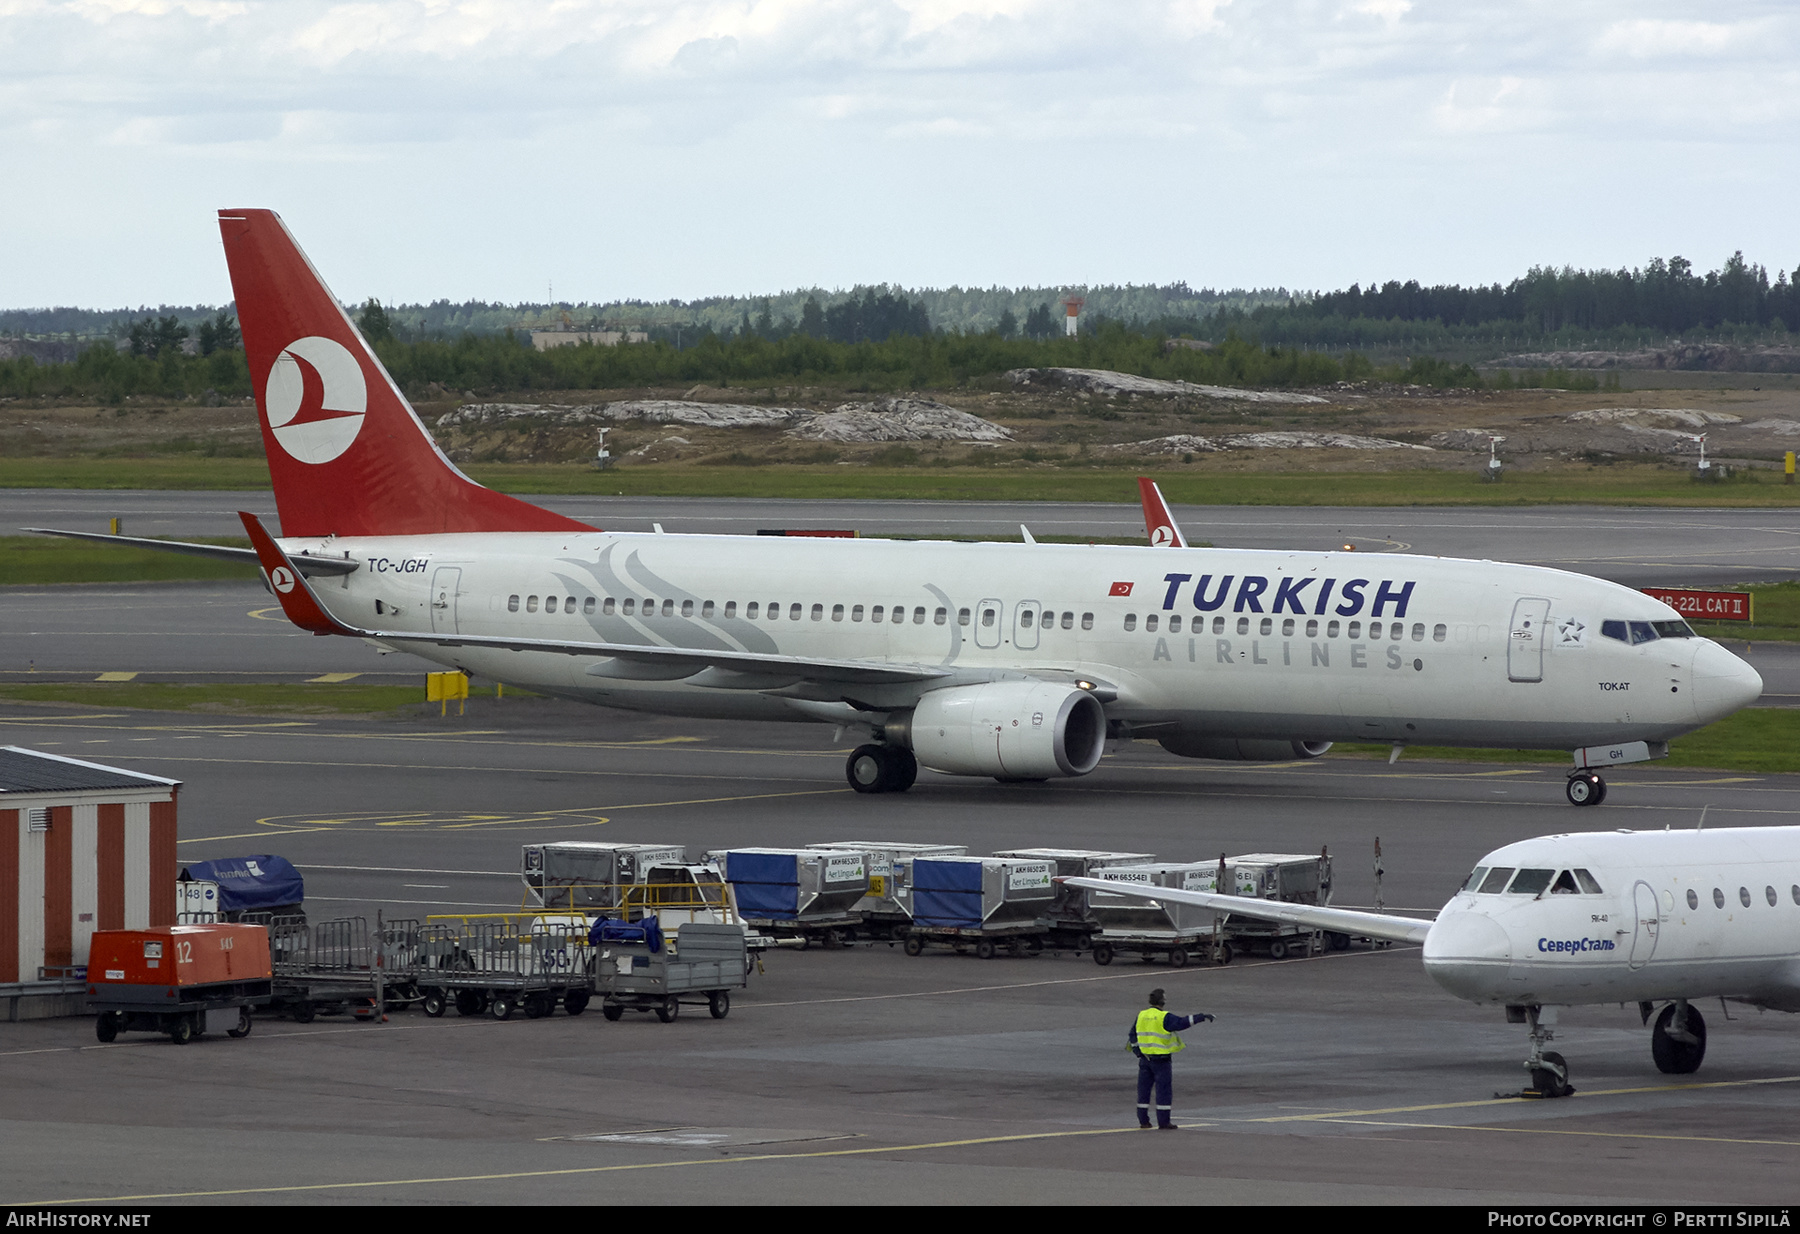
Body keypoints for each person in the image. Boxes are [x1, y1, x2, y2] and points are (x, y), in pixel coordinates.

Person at [1129, 987, 1213, 1129]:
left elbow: (1132, 1035)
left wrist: (1138, 1051)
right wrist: (1201, 1017)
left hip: (1145, 1060)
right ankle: (1163, 1122)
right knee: (1163, 1091)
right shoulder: (1164, 1017)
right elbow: (1181, 1023)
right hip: (1161, 1061)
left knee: (1143, 1091)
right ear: (1163, 1001)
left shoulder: (1141, 1015)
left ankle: (1143, 1121)